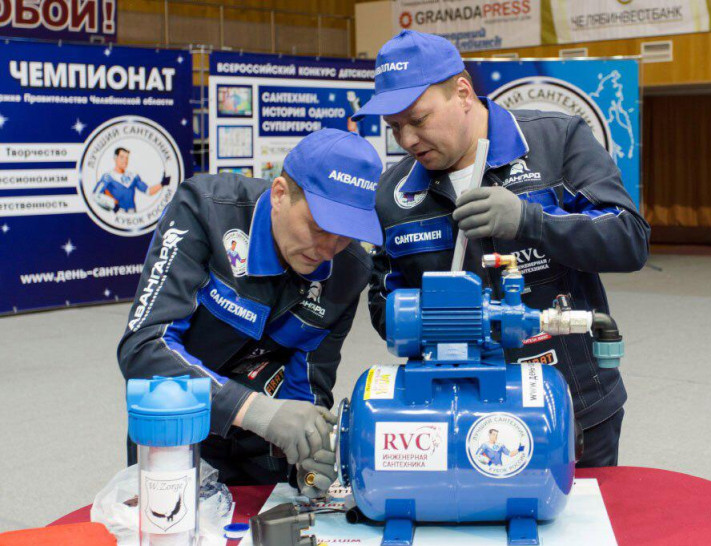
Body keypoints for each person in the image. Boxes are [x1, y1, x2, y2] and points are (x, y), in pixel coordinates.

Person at [356, 30, 651, 467]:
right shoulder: (393, 194)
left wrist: (531, 221)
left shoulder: (556, 140)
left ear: (462, 92)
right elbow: (386, 307)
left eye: (418, 119)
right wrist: (440, 321)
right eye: (395, 127)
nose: (408, 140)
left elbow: (629, 239)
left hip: (573, 406)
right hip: (457, 415)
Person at [118, 129, 383, 496]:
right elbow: (144, 348)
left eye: (345, 236)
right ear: (279, 194)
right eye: (319, 228)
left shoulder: (350, 268)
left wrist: (307, 455)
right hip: (179, 430)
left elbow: (309, 382)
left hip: (266, 445)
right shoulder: (204, 209)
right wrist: (257, 411)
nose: (328, 250)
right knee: (172, 521)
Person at [94, 147, 170, 213]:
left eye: (127, 158)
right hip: (117, 215)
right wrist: (111, 205)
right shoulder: (108, 177)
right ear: (115, 158)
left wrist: (162, 184)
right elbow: (96, 194)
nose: (125, 160)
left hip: (132, 213)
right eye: (122, 157)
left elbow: (148, 191)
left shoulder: (133, 176)